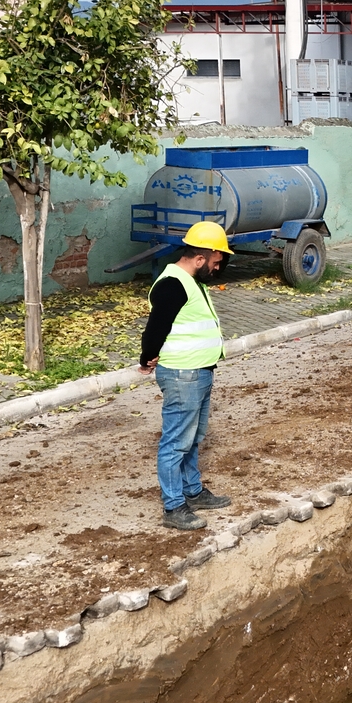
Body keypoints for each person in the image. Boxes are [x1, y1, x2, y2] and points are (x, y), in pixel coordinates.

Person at [139, 221, 235, 531]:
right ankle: (174, 507)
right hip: (183, 375)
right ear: (200, 257)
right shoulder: (173, 284)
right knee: (176, 443)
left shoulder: (192, 281)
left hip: (198, 373)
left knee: (193, 438)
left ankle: (192, 491)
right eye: (215, 262)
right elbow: (156, 327)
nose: (217, 269)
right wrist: (147, 355)